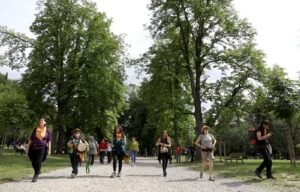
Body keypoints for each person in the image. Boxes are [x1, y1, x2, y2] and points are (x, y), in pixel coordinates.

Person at [27, 117, 51, 182]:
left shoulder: (47, 130)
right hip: (33, 147)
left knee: (38, 161)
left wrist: (49, 150)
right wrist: (27, 147)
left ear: (45, 123)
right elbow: (31, 139)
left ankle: (36, 174)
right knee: (33, 161)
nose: (41, 122)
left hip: (42, 148)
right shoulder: (35, 129)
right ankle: (38, 170)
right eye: (40, 121)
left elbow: (49, 141)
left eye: (42, 121)